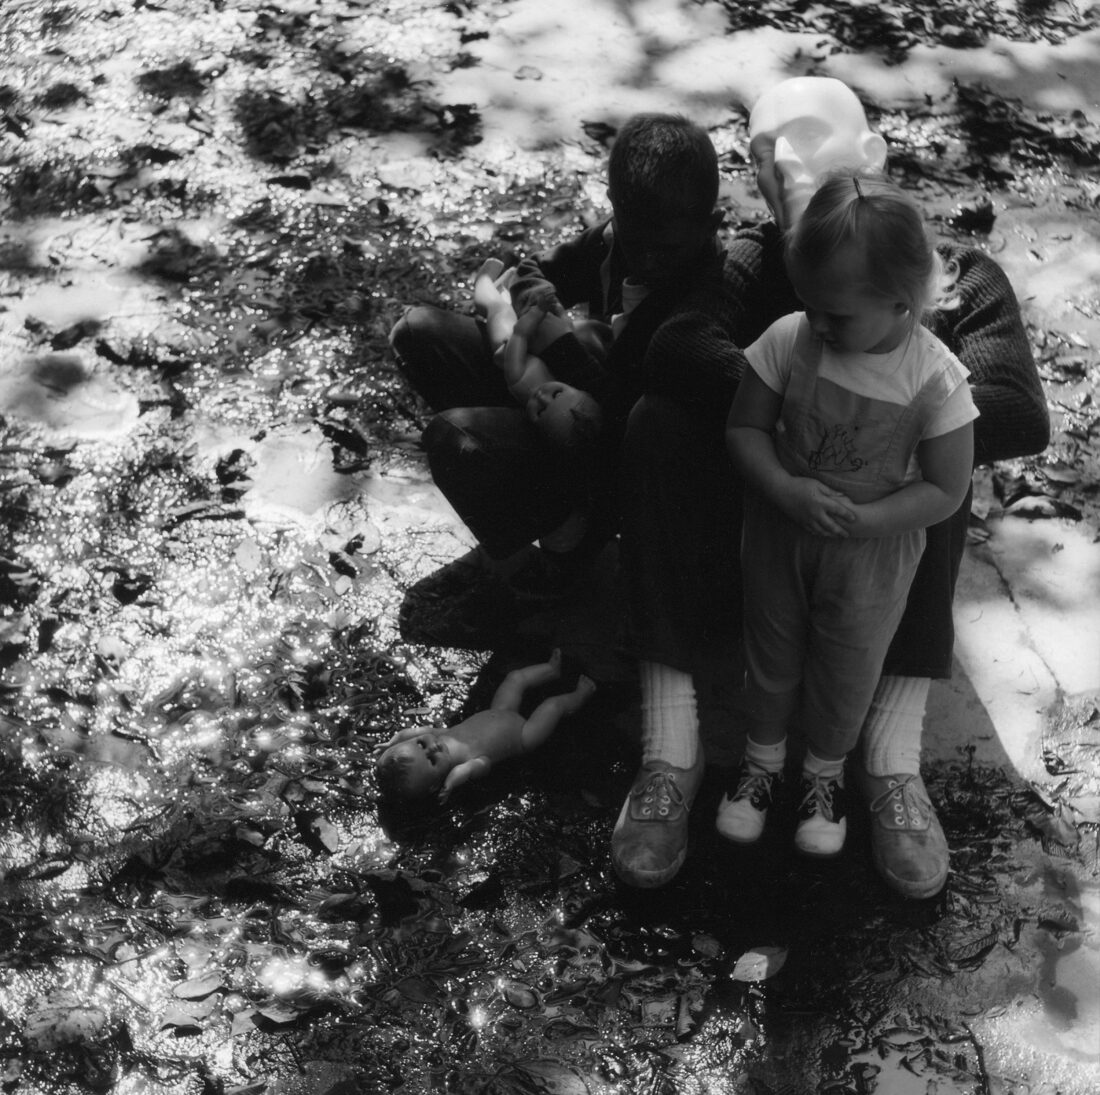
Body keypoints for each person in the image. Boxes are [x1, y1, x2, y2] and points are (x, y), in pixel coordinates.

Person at [611, 77, 1049, 893]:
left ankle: (889, 756)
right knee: (655, 423)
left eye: (811, 139)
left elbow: (1019, 411)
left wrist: (884, 429)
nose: (789, 163)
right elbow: (672, 346)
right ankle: (671, 740)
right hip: (770, 526)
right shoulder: (766, 261)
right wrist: (794, 415)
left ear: (871, 157)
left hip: (877, 543)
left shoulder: (949, 266)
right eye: (768, 151)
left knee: (936, 459)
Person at [719, 172, 977, 858]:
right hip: (780, 532)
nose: (821, 326)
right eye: (811, 307)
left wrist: (870, 521)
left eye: (838, 314)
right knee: (770, 651)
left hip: (873, 556)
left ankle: (824, 776)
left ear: (900, 300)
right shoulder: (789, 338)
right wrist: (783, 487)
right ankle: (761, 765)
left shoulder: (936, 379)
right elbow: (744, 430)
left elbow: (946, 491)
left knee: (848, 665)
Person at [389, 112, 734, 595]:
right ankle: (525, 504)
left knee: (457, 441)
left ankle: (556, 555)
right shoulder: (616, 243)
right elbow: (532, 270)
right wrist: (537, 308)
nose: (650, 262)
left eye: (668, 250)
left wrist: (560, 345)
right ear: (614, 207)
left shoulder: (707, 299)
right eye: (638, 244)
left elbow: (638, 423)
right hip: (553, 393)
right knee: (418, 331)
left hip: (617, 458)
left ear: (712, 222)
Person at [375, 649, 596, 803]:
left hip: (500, 710)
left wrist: (393, 741)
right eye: (432, 760)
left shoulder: (441, 735)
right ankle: (580, 695)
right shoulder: (465, 762)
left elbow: (414, 732)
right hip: (524, 736)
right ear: (436, 784)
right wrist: (454, 781)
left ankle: (550, 670)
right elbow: (482, 766)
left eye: (421, 745)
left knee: (515, 678)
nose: (432, 748)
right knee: (552, 705)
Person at [472, 258, 606, 461]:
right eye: (558, 394)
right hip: (531, 348)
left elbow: (519, 334)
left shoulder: (519, 379)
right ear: (579, 389)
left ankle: (483, 282)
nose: (542, 396)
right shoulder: (571, 392)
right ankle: (505, 288)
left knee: (499, 309)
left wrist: (537, 313)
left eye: (540, 411)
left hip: (509, 345)